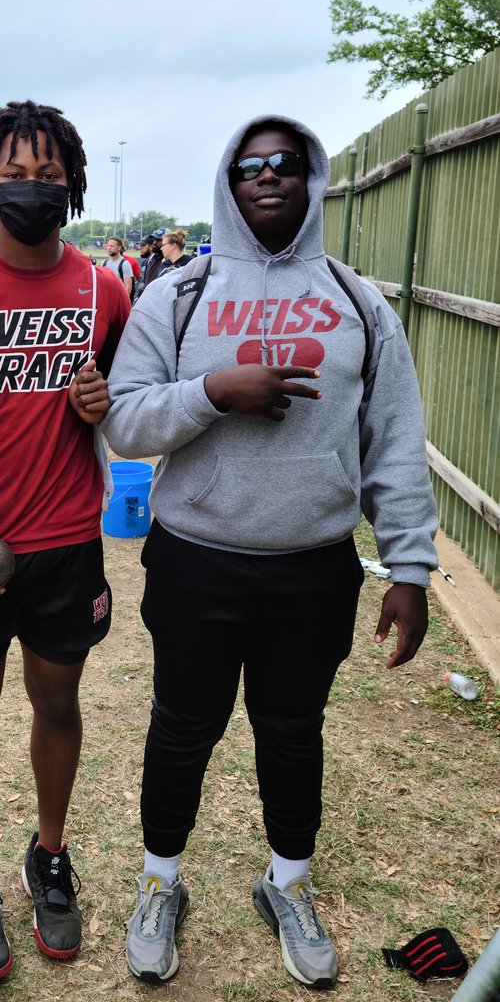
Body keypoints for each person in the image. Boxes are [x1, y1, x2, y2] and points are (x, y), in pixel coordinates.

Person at [102, 115, 437, 988]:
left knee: (292, 731)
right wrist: (211, 392)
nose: (268, 176)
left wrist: (409, 566)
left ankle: (288, 883)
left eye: (286, 163)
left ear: (311, 177)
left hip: (313, 564)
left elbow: (395, 439)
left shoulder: (357, 300)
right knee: (182, 728)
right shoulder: (178, 295)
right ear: (228, 182)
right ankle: (159, 882)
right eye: (249, 166)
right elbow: (124, 421)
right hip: (196, 557)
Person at [0, 100, 131, 983]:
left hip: (68, 543)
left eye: (47, 175)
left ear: (72, 184)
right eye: (14, 174)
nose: (30, 188)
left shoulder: (105, 292)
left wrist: (104, 404)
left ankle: (50, 854)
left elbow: (133, 400)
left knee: (58, 706)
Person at [134, 228, 167, 300]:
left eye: (158, 240)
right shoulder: (150, 260)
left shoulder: (170, 261)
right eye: (154, 240)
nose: (154, 243)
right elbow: (143, 282)